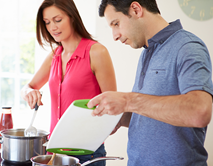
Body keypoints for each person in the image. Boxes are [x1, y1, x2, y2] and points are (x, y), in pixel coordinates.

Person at [87, 0, 213, 165]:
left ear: (136, 9)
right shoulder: (146, 52)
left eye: (116, 24)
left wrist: (128, 100)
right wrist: (120, 116)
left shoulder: (188, 46)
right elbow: (153, 113)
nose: (115, 36)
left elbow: (200, 111)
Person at [20, 0, 117, 165]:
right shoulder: (54, 56)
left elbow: (113, 107)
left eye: (57, 20)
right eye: (47, 22)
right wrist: (29, 92)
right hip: (55, 151)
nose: (52, 27)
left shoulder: (96, 52)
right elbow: (28, 87)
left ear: (72, 17)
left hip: (87, 153)